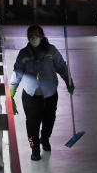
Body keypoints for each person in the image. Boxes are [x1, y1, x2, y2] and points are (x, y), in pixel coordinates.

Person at [10, 25, 74, 161]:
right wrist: (11, 92)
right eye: (31, 36)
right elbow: (17, 73)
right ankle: (34, 148)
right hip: (30, 96)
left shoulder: (51, 50)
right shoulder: (24, 54)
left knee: (49, 121)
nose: (33, 38)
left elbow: (62, 66)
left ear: (42, 36)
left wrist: (69, 81)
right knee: (32, 124)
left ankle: (45, 138)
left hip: (49, 94)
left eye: (36, 35)